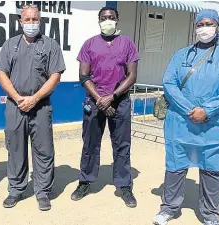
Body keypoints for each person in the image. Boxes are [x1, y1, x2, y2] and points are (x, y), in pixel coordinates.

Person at [152, 9, 219, 225]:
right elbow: (169, 83)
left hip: (213, 124)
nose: (204, 28)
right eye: (200, 24)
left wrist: (207, 110)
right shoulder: (181, 55)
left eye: (209, 23)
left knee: (212, 168)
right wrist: (189, 109)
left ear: (217, 26)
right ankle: (169, 208)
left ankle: (211, 215)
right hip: (181, 121)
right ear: (195, 27)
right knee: (176, 164)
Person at [0, 5, 66, 211]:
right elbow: (1, 74)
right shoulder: (10, 45)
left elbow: (55, 76)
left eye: (35, 19)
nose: (31, 23)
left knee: (44, 151)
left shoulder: (51, 45)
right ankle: (16, 190)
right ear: (20, 21)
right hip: (15, 106)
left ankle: (42, 192)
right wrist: (18, 98)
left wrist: (34, 98)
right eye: (28, 19)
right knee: (15, 149)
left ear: (40, 21)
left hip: (41, 107)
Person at [70, 7, 139, 208]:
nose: (107, 21)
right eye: (103, 18)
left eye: (111, 18)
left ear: (117, 20)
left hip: (120, 101)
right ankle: (85, 181)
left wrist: (112, 97)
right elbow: (84, 76)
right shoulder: (89, 44)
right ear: (98, 20)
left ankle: (124, 185)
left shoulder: (127, 44)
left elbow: (132, 75)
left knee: (122, 145)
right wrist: (101, 99)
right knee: (90, 144)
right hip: (94, 101)